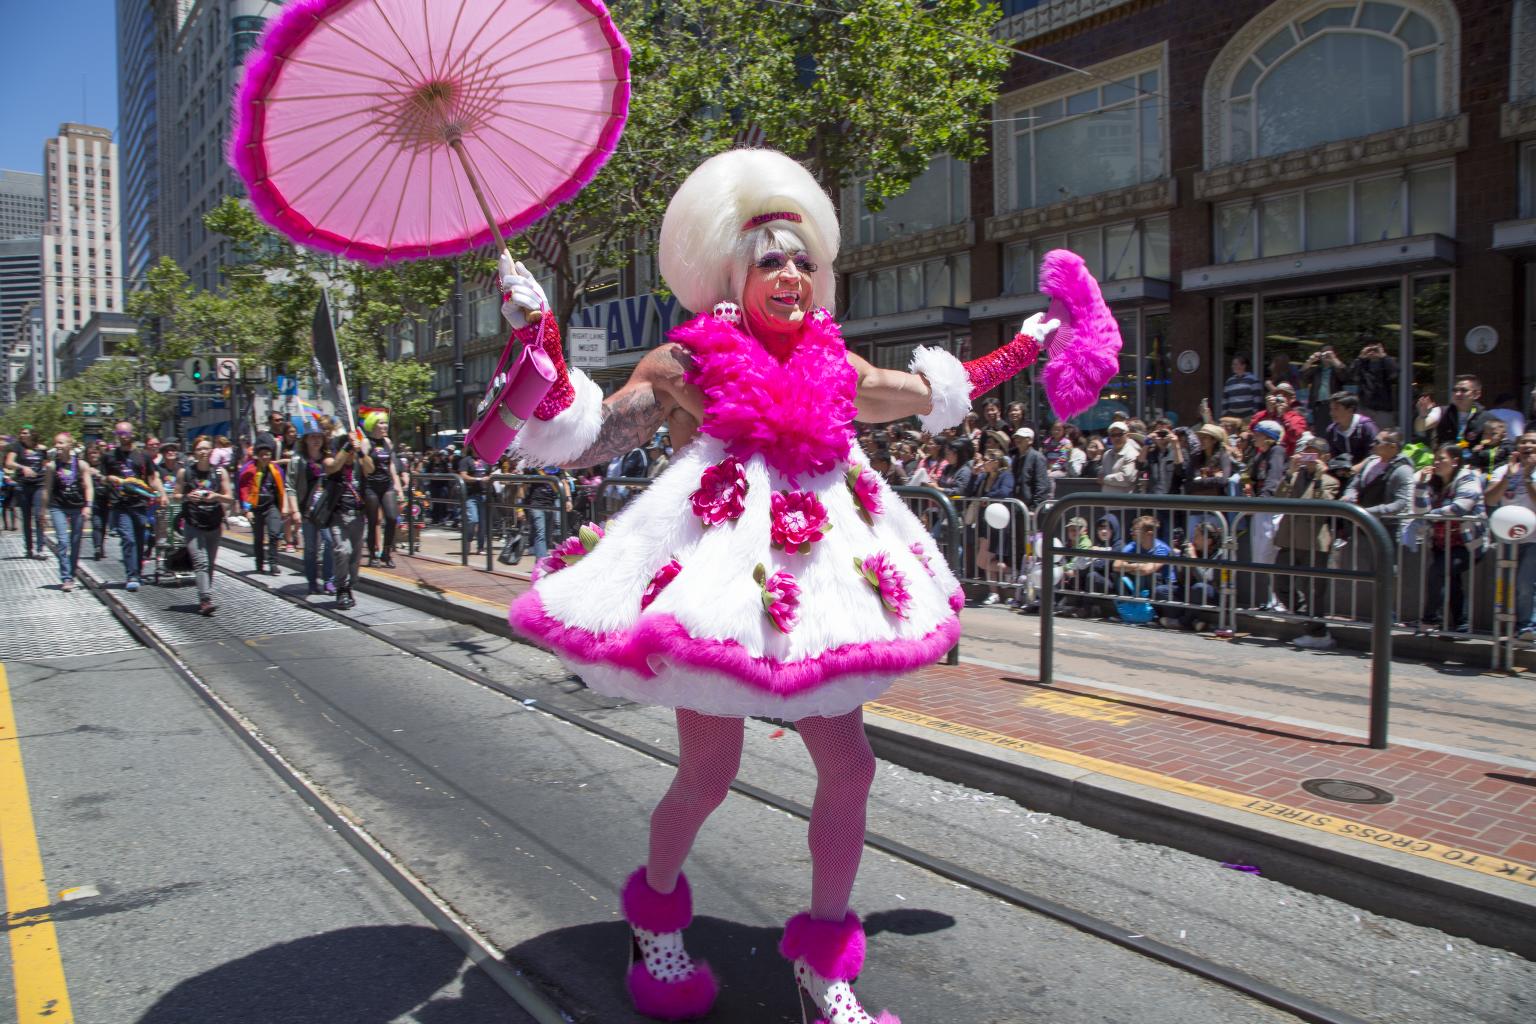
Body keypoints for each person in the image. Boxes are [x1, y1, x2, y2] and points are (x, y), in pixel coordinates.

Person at [492, 148, 1112, 1022]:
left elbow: (917, 393)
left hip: (822, 587)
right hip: (720, 591)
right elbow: (594, 438)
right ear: (732, 273)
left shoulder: (835, 364)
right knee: (709, 774)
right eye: (768, 260)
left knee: (850, 768)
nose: (789, 276)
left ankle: (824, 970)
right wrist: (539, 340)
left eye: (801, 260)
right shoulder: (684, 361)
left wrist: (1021, 349)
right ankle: (657, 920)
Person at [1415, 444, 1486, 633]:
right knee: (1451, 581)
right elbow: (1419, 510)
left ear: (1455, 461)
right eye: (1435, 459)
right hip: (1440, 544)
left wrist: (1431, 514)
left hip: (1467, 544)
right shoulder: (1434, 482)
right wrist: (1421, 484)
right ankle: (1461, 624)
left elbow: (1459, 508)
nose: (1436, 463)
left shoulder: (1469, 478)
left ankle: (1430, 618)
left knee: (1438, 572)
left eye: (1442, 459)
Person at [1273, 437, 1340, 623]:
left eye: (1314, 453)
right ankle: (1301, 612)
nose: (1308, 457)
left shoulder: (1330, 481)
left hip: (1313, 541)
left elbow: (1325, 505)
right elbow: (1277, 498)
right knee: (1280, 583)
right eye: (1306, 452)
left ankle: (1317, 629)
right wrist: (1289, 473)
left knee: (1314, 589)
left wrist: (1318, 478)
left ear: (1324, 457)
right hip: (1289, 539)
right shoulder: (1294, 476)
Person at [100, 421, 164, 591]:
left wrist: (162, 494)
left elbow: (153, 478)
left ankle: (137, 571)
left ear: (132, 434)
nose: (123, 437)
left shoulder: (142, 456)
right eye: (119, 434)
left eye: (125, 433)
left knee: (139, 539)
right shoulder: (110, 456)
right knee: (128, 539)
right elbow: (102, 476)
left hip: (140, 503)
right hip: (120, 504)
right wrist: (108, 479)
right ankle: (132, 575)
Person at [1486, 431, 1536, 640]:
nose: (1527, 445)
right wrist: (1508, 476)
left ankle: (1527, 626)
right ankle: (1510, 625)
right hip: (1507, 537)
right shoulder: (1502, 471)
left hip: (1533, 538)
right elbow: (1490, 499)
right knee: (1507, 584)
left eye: (1533, 442)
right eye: (1524, 441)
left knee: (1525, 583)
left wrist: (1526, 476)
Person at [176, 438, 234, 615]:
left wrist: (215, 496)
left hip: (213, 523)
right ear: (194, 452)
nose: (203, 452)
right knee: (201, 562)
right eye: (199, 449)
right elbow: (176, 496)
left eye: (207, 449)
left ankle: (204, 595)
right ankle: (205, 599)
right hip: (193, 523)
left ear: (212, 452)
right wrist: (187, 497)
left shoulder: (219, 472)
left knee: (209, 564)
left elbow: (230, 498)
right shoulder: (184, 473)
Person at [322, 427, 371, 609]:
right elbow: (333, 465)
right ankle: (341, 588)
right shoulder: (332, 463)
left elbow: (371, 468)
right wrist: (346, 447)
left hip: (358, 516)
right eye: (347, 450)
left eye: (351, 450)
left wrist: (360, 451)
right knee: (342, 551)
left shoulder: (360, 464)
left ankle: (350, 585)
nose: (350, 454)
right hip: (338, 516)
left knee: (355, 557)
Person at [286, 428, 336, 595]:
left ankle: (329, 580)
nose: (316, 440)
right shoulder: (297, 460)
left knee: (329, 542)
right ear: (305, 439)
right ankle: (312, 581)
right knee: (311, 548)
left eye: (319, 437)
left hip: (325, 510)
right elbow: (290, 487)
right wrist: (294, 511)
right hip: (307, 510)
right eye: (312, 436)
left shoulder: (328, 459)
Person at [40, 432, 92, 591]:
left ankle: (72, 571)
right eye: (56, 443)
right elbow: (47, 489)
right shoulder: (52, 466)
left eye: (61, 443)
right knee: (62, 541)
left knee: (75, 542)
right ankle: (66, 577)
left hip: (77, 506)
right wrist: (42, 510)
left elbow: (89, 487)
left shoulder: (82, 465)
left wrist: (88, 505)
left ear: (70, 445)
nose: (58, 446)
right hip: (58, 507)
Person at [359, 408, 404, 568]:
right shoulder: (366, 442)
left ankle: (386, 552)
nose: (384, 426)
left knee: (392, 518)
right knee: (373, 521)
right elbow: (363, 467)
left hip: (387, 485)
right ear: (373, 425)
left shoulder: (388, 442)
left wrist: (398, 487)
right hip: (371, 485)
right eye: (381, 423)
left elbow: (391, 465)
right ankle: (373, 554)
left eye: (385, 422)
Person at [239, 442, 287, 576]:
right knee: (258, 537)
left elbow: (282, 488)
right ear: (257, 456)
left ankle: (273, 563)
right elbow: (243, 490)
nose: (265, 457)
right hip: (255, 507)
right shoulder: (249, 470)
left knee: (274, 533)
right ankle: (259, 563)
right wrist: (247, 510)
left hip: (271, 506)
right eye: (262, 455)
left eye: (268, 454)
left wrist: (283, 507)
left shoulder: (277, 470)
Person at [4, 426, 50, 559]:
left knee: (39, 516)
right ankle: (29, 548)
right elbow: (9, 463)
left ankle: (40, 548)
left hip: (39, 485)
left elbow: (47, 465)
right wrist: (23, 467)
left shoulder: (41, 449)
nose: (22, 435)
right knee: (26, 518)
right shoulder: (16, 447)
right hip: (23, 485)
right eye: (21, 433)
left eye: (25, 433)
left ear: (32, 434)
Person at [1414, 374, 1489, 448]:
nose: (1458, 394)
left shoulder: (1486, 417)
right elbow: (1421, 427)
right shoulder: (1442, 411)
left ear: (1476, 394)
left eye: (1464, 390)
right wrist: (1422, 415)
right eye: (1455, 390)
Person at [1322, 391, 1378, 476]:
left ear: (1350, 410)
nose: (1331, 413)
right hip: (1341, 476)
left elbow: (1375, 454)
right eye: (1331, 409)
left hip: (1366, 475)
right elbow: (1332, 456)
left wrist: (1355, 469)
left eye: (1336, 409)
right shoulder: (1331, 431)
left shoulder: (1366, 427)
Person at [1348, 341, 1399, 428]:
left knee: (1385, 437)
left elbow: (1395, 375)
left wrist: (1383, 356)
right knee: (1363, 436)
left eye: (1375, 349)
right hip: (1365, 407)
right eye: (1369, 349)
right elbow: (1351, 376)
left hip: (1383, 408)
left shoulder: (1388, 362)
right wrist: (1360, 357)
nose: (1372, 352)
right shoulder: (1362, 364)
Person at [1300, 344, 1347, 428]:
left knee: (1336, 428)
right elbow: (1303, 376)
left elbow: (1345, 376)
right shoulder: (1316, 370)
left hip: (1335, 405)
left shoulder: (1336, 369)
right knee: (1320, 431)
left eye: (1328, 353)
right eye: (1323, 353)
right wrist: (1310, 361)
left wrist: (1334, 359)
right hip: (1319, 406)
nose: (1326, 355)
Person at [457, 447, 492, 554]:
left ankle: (480, 547)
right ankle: (468, 540)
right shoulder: (466, 460)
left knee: (483, 523)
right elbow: (463, 475)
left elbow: (490, 474)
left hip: (484, 495)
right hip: (470, 495)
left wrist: (489, 478)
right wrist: (478, 479)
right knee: (473, 519)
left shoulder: (486, 460)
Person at [1185, 423, 1234, 497]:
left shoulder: (1223, 456)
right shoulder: (1195, 457)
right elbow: (1188, 484)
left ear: (1214, 440)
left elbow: (1223, 481)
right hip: (1198, 502)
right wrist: (1214, 477)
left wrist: (1199, 480)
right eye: (1200, 438)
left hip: (1217, 502)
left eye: (1204, 438)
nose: (1201, 440)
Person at [1010, 427, 1050, 509]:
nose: (1018, 440)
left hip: (1030, 508)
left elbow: (1042, 485)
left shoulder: (1037, 457)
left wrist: (1035, 507)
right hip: (1017, 505)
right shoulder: (1015, 458)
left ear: (1030, 441)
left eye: (1022, 438)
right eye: (1016, 437)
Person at [1098, 421, 1140, 493]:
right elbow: (1101, 474)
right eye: (1113, 435)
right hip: (1106, 500)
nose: (1116, 438)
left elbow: (1127, 478)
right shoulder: (1106, 454)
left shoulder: (1132, 453)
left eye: (1120, 434)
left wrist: (1105, 479)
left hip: (1123, 501)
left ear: (1127, 435)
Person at [1222, 353, 1264, 418]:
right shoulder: (1229, 381)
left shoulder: (1253, 380)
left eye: (1235, 364)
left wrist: (1254, 414)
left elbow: (1257, 399)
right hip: (1232, 417)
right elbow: (1225, 399)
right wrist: (1224, 415)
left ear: (1243, 366)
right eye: (1232, 364)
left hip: (1248, 416)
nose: (1233, 366)